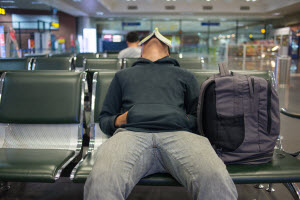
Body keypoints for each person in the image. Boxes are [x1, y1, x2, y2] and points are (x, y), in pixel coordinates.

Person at [84, 28, 237, 200]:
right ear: (140, 49)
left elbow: (198, 118)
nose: (155, 35)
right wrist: (123, 119)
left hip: (180, 135)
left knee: (215, 176)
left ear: (169, 50)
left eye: (160, 38)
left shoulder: (186, 76)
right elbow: (105, 119)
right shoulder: (123, 76)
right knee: (103, 179)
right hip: (131, 135)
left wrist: (181, 119)